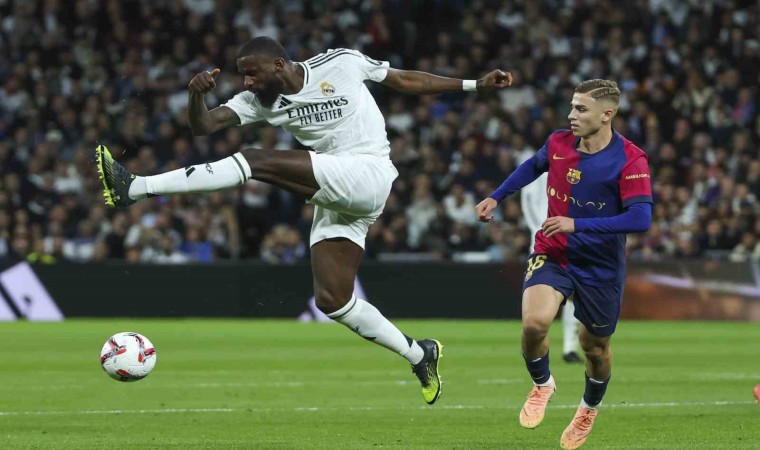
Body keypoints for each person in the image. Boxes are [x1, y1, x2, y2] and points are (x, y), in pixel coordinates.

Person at [96, 36, 513, 405]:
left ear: (278, 64)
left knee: (255, 161)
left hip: (368, 172)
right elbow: (204, 126)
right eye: (242, 76)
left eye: (252, 74)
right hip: (337, 187)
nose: (247, 83)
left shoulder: (341, 63)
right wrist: (195, 96)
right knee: (333, 300)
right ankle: (420, 354)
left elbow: (405, 80)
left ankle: (136, 188)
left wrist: (474, 85)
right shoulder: (257, 102)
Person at [476, 79, 652, 449]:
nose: (571, 115)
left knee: (594, 348)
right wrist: (497, 196)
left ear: (606, 115)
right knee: (534, 323)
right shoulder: (558, 142)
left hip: (601, 265)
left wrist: (577, 223)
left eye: (581, 109)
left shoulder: (630, 159)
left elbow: (640, 219)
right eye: (572, 106)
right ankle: (542, 384)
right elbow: (533, 166)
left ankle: (588, 408)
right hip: (554, 252)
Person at [520, 171, 583, 364]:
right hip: (543, 244)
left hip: (570, 241)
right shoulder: (539, 170)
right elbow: (528, 203)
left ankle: (569, 347)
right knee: (540, 298)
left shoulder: (575, 168)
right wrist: (540, 230)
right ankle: (538, 352)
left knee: (574, 294)